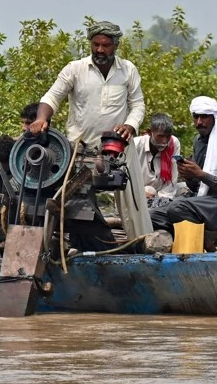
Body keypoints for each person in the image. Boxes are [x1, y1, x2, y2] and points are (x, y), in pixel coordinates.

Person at [28, 21, 145, 251]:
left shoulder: (128, 70)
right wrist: (41, 119)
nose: (100, 50)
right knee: (70, 200)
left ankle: (139, 247)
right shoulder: (75, 68)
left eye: (106, 45)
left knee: (134, 204)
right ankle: (58, 247)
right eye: (96, 44)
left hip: (118, 150)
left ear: (115, 46)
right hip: (78, 151)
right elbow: (52, 97)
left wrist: (130, 126)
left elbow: (138, 105)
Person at [149, 96, 217, 240]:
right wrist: (189, 176)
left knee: (177, 208)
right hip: (201, 202)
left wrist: (201, 175)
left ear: (214, 117)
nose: (199, 122)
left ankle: (203, 242)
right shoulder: (198, 141)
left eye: (204, 117)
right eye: (196, 117)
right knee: (152, 215)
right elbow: (196, 187)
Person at [129, 112, 187, 208]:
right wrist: (139, 192)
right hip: (138, 192)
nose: (164, 141)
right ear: (149, 132)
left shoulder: (173, 143)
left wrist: (162, 200)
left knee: (185, 188)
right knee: (149, 190)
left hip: (160, 193)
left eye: (168, 136)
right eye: (160, 136)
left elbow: (172, 179)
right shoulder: (135, 145)